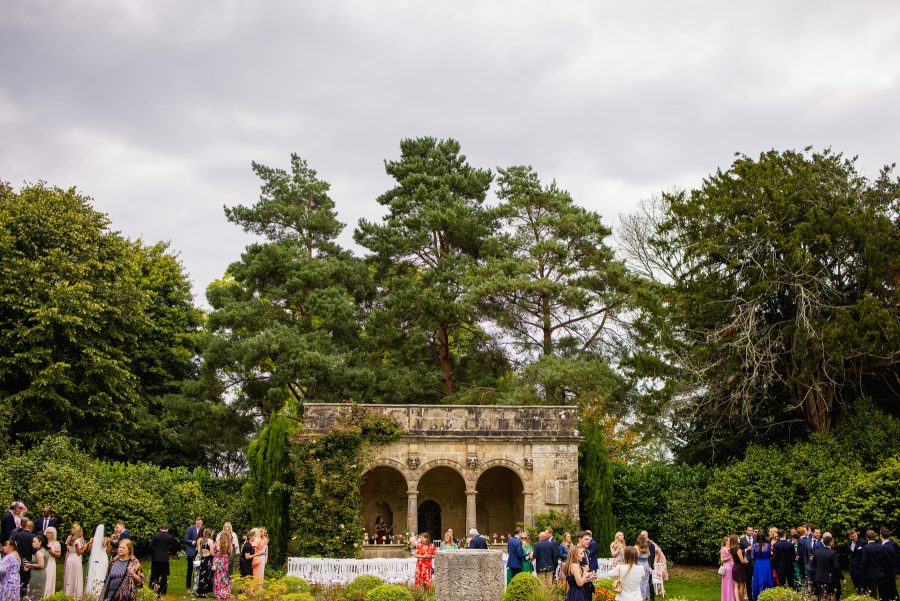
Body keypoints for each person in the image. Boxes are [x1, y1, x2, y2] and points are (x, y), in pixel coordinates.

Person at [150, 523, 176, 596]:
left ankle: (152, 590)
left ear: (160, 529)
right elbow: (174, 547)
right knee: (164, 575)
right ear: (167, 529)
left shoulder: (156, 536)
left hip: (155, 558)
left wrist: (153, 553)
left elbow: (150, 547)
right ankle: (162, 591)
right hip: (164, 558)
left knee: (154, 575)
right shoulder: (170, 537)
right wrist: (170, 552)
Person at [812, 534, 840, 601]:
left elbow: (813, 564)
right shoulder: (833, 553)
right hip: (828, 578)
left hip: (818, 577)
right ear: (831, 543)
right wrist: (841, 577)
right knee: (828, 596)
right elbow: (836, 567)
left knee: (820, 596)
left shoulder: (817, 552)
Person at [63, 523, 86, 598]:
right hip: (76, 559)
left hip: (70, 558)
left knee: (69, 574)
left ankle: (68, 592)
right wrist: (86, 546)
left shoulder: (70, 539)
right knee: (76, 575)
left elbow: (69, 550)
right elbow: (79, 553)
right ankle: (76, 594)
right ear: (78, 532)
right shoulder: (78, 541)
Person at [13, 518, 35, 598]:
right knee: (26, 578)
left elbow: (13, 545)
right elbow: (34, 551)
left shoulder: (17, 535)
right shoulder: (33, 536)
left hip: (17, 558)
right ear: (32, 527)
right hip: (27, 559)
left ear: (25, 526)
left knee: (18, 575)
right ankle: (23, 593)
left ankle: (16, 591)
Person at [861, 530, 886, 599]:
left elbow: (864, 562)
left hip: (871, 575)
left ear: (866, 537)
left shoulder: (866, 548)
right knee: (882, 593)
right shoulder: (881, 546)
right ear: (875, 537)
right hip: (881, 573)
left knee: (872, 594)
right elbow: (883, 560)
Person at [24, 534, 48, 600]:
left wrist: (29, 565)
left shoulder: (40, 553)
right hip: (40, 574)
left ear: (40, 542)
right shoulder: (43, 550)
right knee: (37, 594)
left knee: (34, 594)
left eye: (34, 542)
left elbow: (41, 565)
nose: (32, 543)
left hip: (37, 575)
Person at [751, 532, 774, 600]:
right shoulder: (768, 545)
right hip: (767, 563)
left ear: (757, 538)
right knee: (767, 578)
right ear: (764, 538)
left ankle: (758, 595)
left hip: (758, 564)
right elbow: (770, 555)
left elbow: (752, 557)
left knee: (758, 579)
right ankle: (768, 595)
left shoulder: (754, 545)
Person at [878, 527, 898, 601]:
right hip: (890, 572)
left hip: (886, 573)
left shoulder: (885, 547)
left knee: (888, 592)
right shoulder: (892, 544)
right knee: (890, 591)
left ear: (881, 535)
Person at [184, 517, 203, 592]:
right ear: (195, 522)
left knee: (197, 569)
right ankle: (188, 587)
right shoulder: (190, 529)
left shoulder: (202, 530)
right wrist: (192, 542)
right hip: (191, 552)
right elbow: (185, 539)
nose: (198, 524)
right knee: (190, 569)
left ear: (202, 523)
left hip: (198, 552)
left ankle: (195, 586)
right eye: (197, 522)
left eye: (200, 523)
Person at [196, 528, 215, 596]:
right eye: (212, 532)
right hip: (208, 559)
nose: (213, 534)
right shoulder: (210, 541)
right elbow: (212, 553)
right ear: (209, 533)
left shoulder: (200, 540)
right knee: (207, 576)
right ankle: (204, 592)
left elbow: (198, 551)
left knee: (201, 575)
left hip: (202, 559)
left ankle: (199, 592)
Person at [212, 531, 231, 599]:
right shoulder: (228, 544)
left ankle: (217, 594)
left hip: (217, 561)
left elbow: (213, 552)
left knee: (217, 577)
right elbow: (229, 553)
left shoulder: (217, 543)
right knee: (224, 578)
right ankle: (224, 593)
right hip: (224, 562)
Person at [43, 527, 61, 597]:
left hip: (51, 562)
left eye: (50, 532)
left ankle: (48, 595)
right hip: (43, 562)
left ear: (53, 534)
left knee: (49, 578)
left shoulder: (56, 543)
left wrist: (51, 552)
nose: (48, 534)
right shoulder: (43, 542)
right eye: (47, 532)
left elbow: (58, 555)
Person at [730, 534, 749, 601]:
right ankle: (741, 599)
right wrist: (746, 560)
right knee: (742, 586)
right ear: (735, 540)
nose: (739, 539)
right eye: (738, 538)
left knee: (737, 585)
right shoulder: (738, 549)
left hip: (735, 567)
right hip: (740, 568)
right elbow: (742, 561)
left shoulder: (731, 549)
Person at [804, 528, 823, 594]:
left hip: (818, 566)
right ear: (812, 533)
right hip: (808, 566)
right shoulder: (807, 541)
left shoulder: (822, 542)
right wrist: (806, 563)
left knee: (818, 584)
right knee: (809, 583)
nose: (818, 534)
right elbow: (805, 553)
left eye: (819, 533)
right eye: (817, 533)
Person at [847, 530, 866, 594]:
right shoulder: (848, 543)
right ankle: (858, 594)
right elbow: (851, 554)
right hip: (852, 568)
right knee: (856, 585)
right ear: (849, 537)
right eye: (852, 537)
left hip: (861, 568)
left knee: (862, 585)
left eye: (855, 536)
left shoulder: (863, 543)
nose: (854, 538)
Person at [740, 527, 756, 595]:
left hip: (755, 561)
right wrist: (747, 549)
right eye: (749, 530)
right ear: (745, 531)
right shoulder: (742, 540)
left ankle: (756, 594)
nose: (751, 532)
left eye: (752, 530)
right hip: (746, 563)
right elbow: (739, 551)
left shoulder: (755, 539)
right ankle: (749, 596)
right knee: (748, 580)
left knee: (756, 579)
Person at [721, 537, 735, 601]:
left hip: (732, 566)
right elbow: (722, 560)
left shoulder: (732, 548)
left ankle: (733, 597)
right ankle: (727, 598)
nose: (731, 542)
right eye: (729, 541)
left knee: (732, 582)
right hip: (727, 567)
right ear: (726, 542)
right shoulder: (723, 549)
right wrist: (730, 557)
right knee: (727, 583)